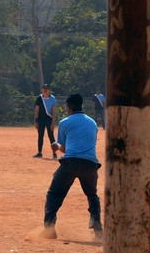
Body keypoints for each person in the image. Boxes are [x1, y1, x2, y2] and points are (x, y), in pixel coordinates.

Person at [39, 94, 102, 239]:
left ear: (68, 108)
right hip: (91, 164)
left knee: (54, 194)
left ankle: (49, 228)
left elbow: (64, 149)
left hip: (71, 163)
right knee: (92, 195)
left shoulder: (65, 122)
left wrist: (56, 145)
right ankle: (97, 225)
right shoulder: (93, 123)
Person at [34, 84, 57, 159]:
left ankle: (54, 152)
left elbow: (53, 112)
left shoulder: (52, 99)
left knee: (51, 135)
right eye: (43, 88)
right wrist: (36, 121)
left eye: (46, 88)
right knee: (40, 135)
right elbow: (37, 111)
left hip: (49, 119)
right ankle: (39, 152)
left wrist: (53, 123)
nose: (45, 90)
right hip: (41, 119)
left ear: (49, 90)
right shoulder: (39, 98)